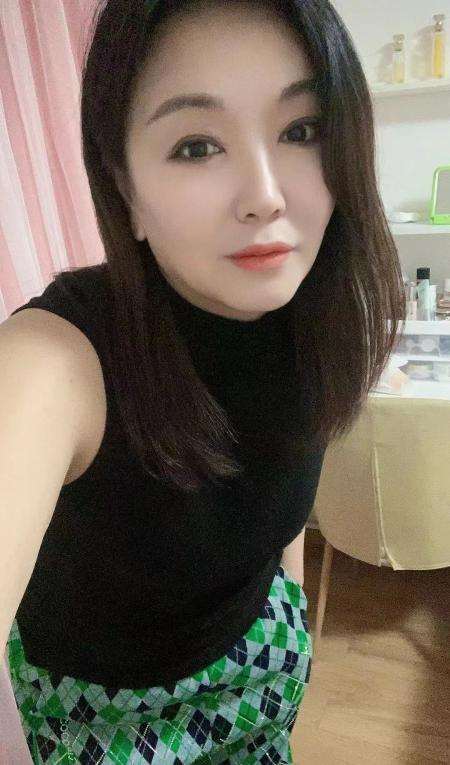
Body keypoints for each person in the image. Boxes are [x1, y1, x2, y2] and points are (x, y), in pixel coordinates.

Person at [1, 0, 406, 762]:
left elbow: (278, 513)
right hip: (107, 719)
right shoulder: (58, 358)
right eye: (196, 145)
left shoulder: (317, 310)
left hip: (266, 663)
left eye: (301, 130)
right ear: (125, 189)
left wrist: (288, 615)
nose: (265, 194)